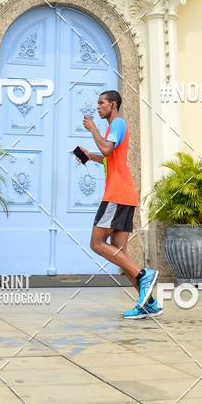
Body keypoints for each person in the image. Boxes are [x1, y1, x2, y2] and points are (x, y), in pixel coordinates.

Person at [80, 89, 160, 318]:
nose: (98, 107)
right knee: (121, 254)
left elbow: (107, 149)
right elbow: (107, 156)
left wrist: (92, 129)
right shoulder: (112, 128)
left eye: (101, 103)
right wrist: (88, 155)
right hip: (124, 194)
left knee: (96, 243)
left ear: (112, 104)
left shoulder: (118, 124)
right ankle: (149, 304)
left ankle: (144, 274)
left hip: (116, 194)